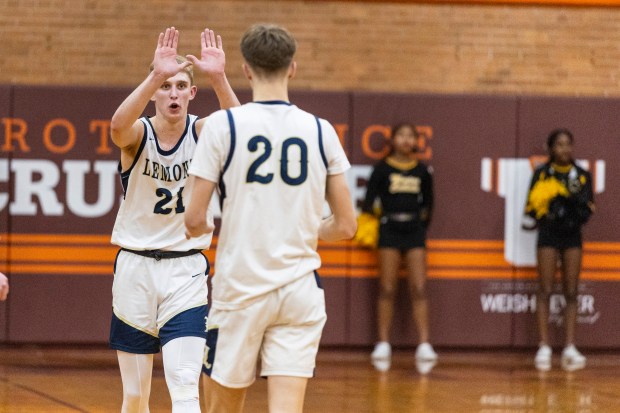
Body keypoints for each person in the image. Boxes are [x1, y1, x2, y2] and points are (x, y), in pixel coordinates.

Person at [185, 23, 357, 413]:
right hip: (300, 290)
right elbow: (346, 226)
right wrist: (305, 228)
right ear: (292, 68)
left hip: (241, 287)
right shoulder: (321, 130)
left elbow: (194, 220)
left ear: (245, 69)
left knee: (222, 407)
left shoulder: (221, 127)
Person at [108, 26, 239, 413]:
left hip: (185, 271)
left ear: (191, 94)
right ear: (154, 94)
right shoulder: (138, 134)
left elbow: (241, 131)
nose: (173, 93)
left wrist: (218, 77)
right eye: (166, 86)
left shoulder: (202, 130)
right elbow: (116, 127)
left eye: (181, 86)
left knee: (185, 388)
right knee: (136, 396)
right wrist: (155, 75)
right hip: (134, 268)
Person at [360, 123, 437, 372]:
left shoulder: (422, 171)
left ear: (417, 141)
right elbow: (369, 203)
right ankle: (383, 343)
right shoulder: (381, 169)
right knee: (387, 286)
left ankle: (424, 343)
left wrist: (419, 225)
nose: (405, 140)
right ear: (392, 140)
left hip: (414, 231)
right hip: (389, 230)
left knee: (419, 286)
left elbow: (429, 206)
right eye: (401, 135)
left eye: (410, 136)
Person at [525, 128, 594, 372]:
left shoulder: (582, 175)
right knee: (544, 288)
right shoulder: (542, 174)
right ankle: (543, 346)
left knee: (572, 290)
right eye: (559, 144)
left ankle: (569, 346)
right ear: (551, 148)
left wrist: (569, 206)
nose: (564, 149)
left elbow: (587, 208)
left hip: (572, 236)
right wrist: (547, 208)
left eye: (568, 144)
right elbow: (530, 208)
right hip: (548, 234)